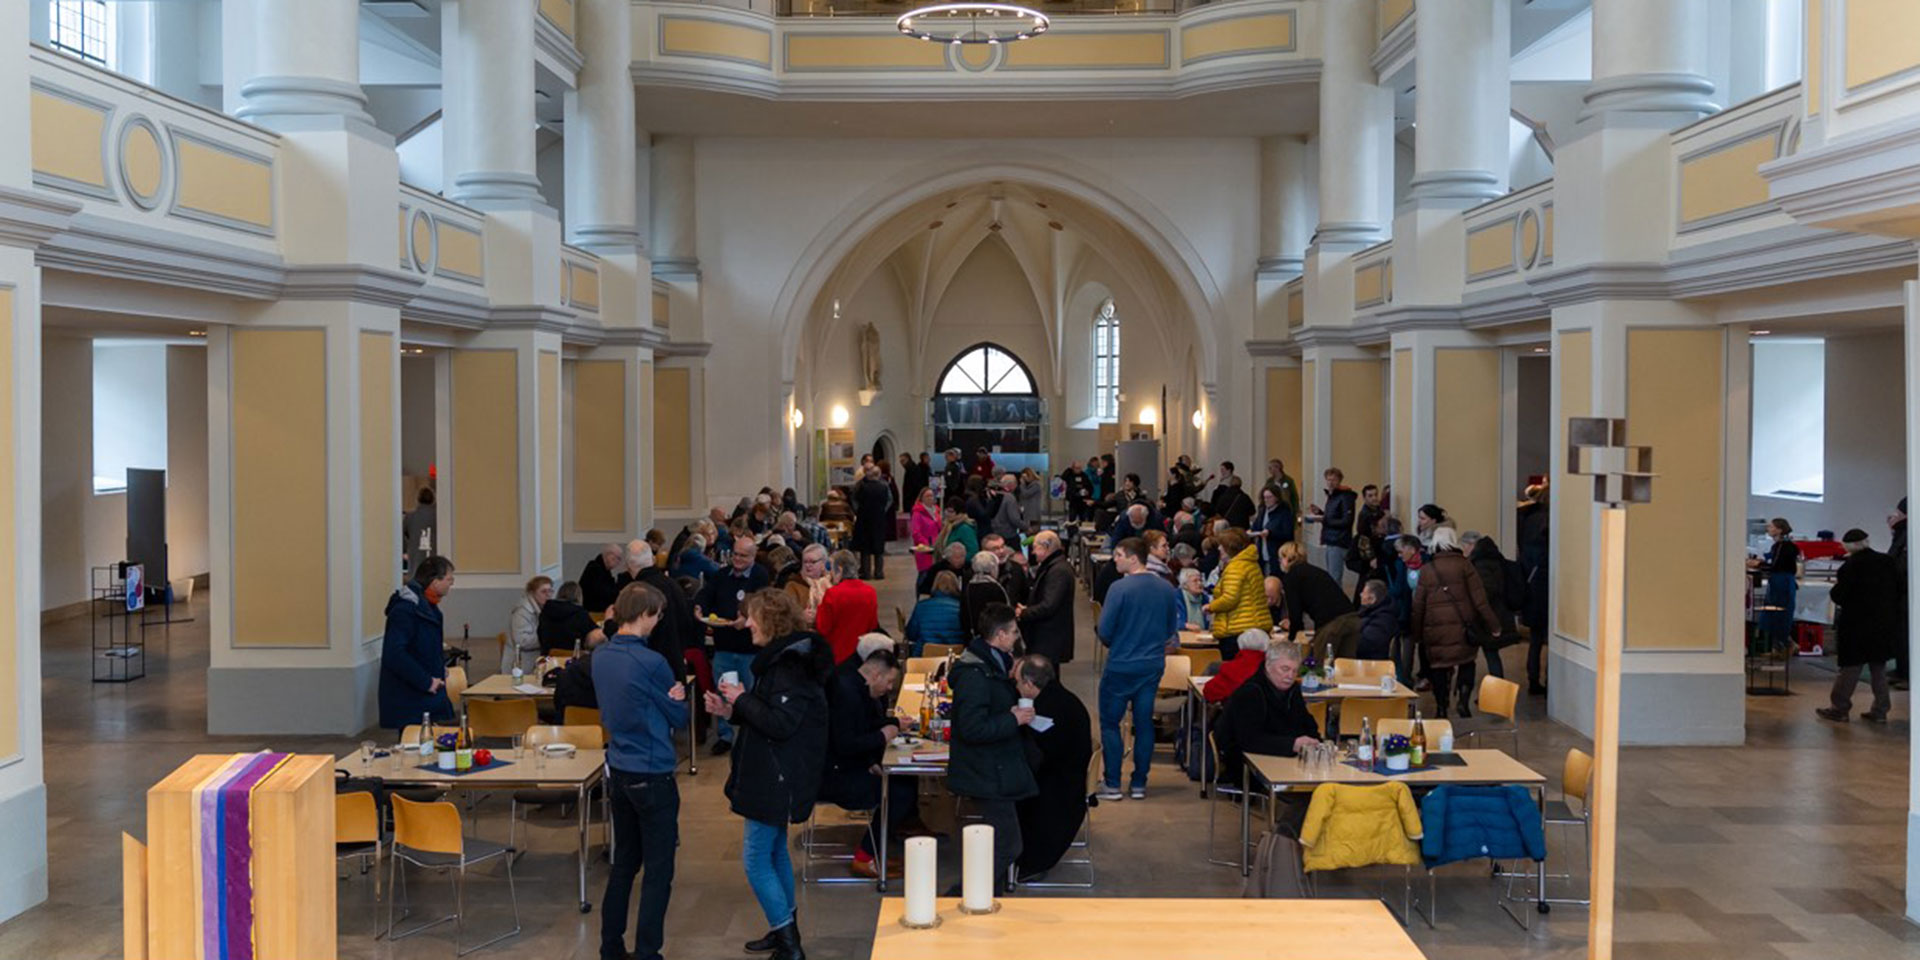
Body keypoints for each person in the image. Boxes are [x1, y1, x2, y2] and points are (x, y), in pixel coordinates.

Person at [702, 589, 831, 960]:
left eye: (753, 616)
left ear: (771, 621)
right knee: (774, 854)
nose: (747, 623)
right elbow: (770, 712)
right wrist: (731, 712)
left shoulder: (789, 667)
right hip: (775, 771)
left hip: (777, 776)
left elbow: (781, 723)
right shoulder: (783, 660)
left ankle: (789, 945)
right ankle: (782, 929)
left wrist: (741, 698)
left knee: (756, 860)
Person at [593, 582, 690, 960]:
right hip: (652, 771)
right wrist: (678, 699)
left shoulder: (601, 655)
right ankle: (647, 951)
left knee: (623, 865)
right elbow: (678, 716)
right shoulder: (652, 663)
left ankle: (610, 947)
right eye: (657, 615)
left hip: (618, 766)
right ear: (646, 614)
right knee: (658, 870)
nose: (658, 622)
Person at [947, 603, 1038, 893]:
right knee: (1009, 845)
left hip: (996, 766)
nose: (1016, 637)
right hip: (985, 770)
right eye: (1013, 632)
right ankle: (964, 894)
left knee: (1003, 842)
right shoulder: (975, 675)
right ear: (999, 635)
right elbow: (972, 728)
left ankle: (987, 897)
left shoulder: (992, 664)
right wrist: (1011, 718)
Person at [1094, 537, 1185, 800]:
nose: (1115, 559)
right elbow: (1171, 629)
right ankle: (1139, 784)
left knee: (1111, 724)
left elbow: (1106, 629)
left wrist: (1119, 643)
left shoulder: (1119, 589)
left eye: (1119, 555)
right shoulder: (1167, 589)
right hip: (1152, 665)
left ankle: (1112, 783)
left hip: (1121, 665)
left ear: (1134, 558)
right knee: (1144, 723)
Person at [820, 646, 909, 879]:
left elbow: (863, 726)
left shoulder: (853, 684)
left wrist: (893, 724)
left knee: (904, 784)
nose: (889, 688)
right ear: (876, 675)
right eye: (889, 682)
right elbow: (845, 743)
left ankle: (875, 849)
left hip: (845, 765)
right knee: (898, 793)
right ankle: (864, 857)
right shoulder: (846, 692)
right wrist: (883, 736)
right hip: (832, 776)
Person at [1012, 654, 1092, 882]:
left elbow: (1036, 757)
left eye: (1017, 682)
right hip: (1070, 783)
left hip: (1055, 796)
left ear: (1029, 684)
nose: (1016, 688)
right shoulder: (1064, 699)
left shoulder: (1048, 708)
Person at [1412, 528, 1502, 719]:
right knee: (1467, 662)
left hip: (1434, 629)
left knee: (1438, 667)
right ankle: (1463, 699)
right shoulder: (1465, 566)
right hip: (1463, 627)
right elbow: (1480, 600)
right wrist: (1494, 625)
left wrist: (1417, 633)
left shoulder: (1427, 570)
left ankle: (1441, 706)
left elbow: (1418, 604)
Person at [695, 539, 771, 755]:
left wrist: (746, 618)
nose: (737, 559)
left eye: (743, 556)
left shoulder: (760, 576)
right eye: (735, 555)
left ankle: (751, 735)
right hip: (724, 646)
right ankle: (725, 736)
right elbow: (706, 594)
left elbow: (763, 606)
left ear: (753, 557)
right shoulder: (721, 575)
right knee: (723, 692)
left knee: (751, 694)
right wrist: (700, 607)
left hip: (750, 650)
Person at [1213, 643, 1322, 789]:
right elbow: (1249, 740)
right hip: (1246, 764)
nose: (1290, 676)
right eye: (1285, 669)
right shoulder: (1250, 692)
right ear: (1268, 666)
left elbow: (1306, 722)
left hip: (1284, 759)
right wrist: (1292, 744)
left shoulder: (1293, 690)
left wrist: (1315, 742)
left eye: (1295, 671)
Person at [1819, 528, 1899, 723]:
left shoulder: (1850, 567)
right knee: (1878, 668)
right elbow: (1898, 588)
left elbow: (1839, 595)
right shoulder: (1887, 561)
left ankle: (1839, 708)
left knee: (1850, 668)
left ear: (1847, 546)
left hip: (1856, 623)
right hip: (1882, 622)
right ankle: (1880, 710)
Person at [379, 555, 457, 732]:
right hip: (412, 695)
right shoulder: (406, 610)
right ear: (434, 581)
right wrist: (426, 681)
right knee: (414, 745)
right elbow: (395, 654)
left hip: (423, 693)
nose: (451, 584)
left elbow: (422, 646)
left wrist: (438, 666)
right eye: (448, 579)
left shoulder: (428, 606)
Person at [1461, 532, 1518, 679]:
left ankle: (1495, 691)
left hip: (1487, 615)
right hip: (1493, 612)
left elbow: (1486, 592)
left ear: (1472, 545)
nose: (1463, 550)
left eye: (1464, 546)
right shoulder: (1491, 559)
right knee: (1490, 654)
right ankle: (1495, 689)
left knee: (1487, 654)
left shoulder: (1481, 563)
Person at [1207, 528, 1271, 660]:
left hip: (1238, 629)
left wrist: (1211, 606)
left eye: (1222, 546)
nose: (1219, 548)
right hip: (1255, 626)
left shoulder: (1235, 568)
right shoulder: (1251, 564)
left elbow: (1230, 598)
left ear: (1229, 548)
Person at [1017, 531, 1076, 665]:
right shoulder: (1053, 566)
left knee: (1046, 679)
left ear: (1046, 547)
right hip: (1049, 635)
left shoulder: (1058, 571)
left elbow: (1049, 605)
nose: (1032, 552)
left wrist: (1025, 612)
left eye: (1035, 547)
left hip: (1049, 638)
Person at [1515, 485, 1552, 695]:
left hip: (1530, 584)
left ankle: (1533, 679)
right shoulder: (1548, 522)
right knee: (1550, 640)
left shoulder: (1526, 519)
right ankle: (1548, 680)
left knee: (1536, 639)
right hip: (1545, 584)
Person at [815, 550, 879, 664]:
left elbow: (823, 628)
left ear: (839, 569)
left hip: (838, 655)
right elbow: (873, 625)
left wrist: (819, 605)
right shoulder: (870, 592)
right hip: (862, 655)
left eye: (831, 569)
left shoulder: (832, 594)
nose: (830, 574)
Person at [1748, 517, 1800, 655]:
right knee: (1772, 613)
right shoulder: (1778, 546)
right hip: (1777, 581)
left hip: (1782, 582)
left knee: (1780, 614)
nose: (1768, 529)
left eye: (1771, 527)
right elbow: (1771, 558)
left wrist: (1759, 564)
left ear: (1779, 530)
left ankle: (1787, 643)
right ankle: (1778, 647)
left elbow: (1776, 564)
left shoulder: (1785, 546)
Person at [1307, 468, 1358, 591]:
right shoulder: (1332, 496)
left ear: (1339, 480)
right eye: (1328, 480)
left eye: (1333, 479)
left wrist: (1323, 519)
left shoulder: (1345, 496)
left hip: (1338, 540)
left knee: (1334, 577)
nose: (1330, 482)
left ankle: (1337, 605)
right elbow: (1332, 517)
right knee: (1332, 575)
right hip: (1331, 539)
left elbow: (1346, 521)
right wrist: (1320, 512)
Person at [906, 571, 968, 655]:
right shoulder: (962, 608)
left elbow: (911, 634)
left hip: (924, 656)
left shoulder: (921, 606)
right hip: (955, 656)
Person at [1203, 629, 1271, 704]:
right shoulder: (1272, 669)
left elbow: (1209, 692)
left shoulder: (1230, 668)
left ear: (1240, 645)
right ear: (1266, 646)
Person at [851, 465, 893, 580]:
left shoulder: (860, 485)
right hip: (879, 519)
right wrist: (882, 510)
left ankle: (866, 572)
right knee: (878, 547)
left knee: (865, 548)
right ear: (878, 475)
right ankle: (879, 572)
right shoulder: (884, 486)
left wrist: (858, 511)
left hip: (863, 518)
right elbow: (889, 500)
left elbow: (854, 498)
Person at [539, 580, 604, 654]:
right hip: (575, 658)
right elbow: (595, 635)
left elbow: (540, 635)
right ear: (579, 596)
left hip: (548, 659)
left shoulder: (546, 611)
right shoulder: (580, 614)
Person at [962, 550, 1013, 641]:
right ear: (993, 567)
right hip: (994, 637)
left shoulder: (968, 587)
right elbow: (1004, 615)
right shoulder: (995, 588)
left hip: (972, 638)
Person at [506, 575, 552, 675]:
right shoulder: (521, 612)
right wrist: (547, 638)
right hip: (520, 665)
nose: (548, 595)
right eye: (544, 592)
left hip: (532, 660)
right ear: (532, 593)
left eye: (550, 591)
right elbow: (521, 641)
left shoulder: (544, 608)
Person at [1251, 486, 1295, 576]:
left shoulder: (1284, 513)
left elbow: (1288, 534)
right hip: (1263, 549)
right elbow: (1256, 527)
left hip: (1277, 551)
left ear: (1277, 497)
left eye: (1269, 497)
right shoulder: (1262, 511)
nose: (1266, 500)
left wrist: (1270, 533)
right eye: (1265, 497)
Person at [784, 543, 832, 623]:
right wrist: (800, 616)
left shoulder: (832, 583)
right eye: (805, 562)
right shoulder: (793, 585)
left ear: (823, 563)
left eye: (812, 562)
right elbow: (786, 614)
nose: (807, 565)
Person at [983, 533, 1030, 605]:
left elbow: (1025, 595)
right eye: (995, 549)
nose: (1001, 551)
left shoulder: (1016, 569)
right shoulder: (978, 572)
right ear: (985, 551)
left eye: (1002, 546)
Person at [1356, 579, 1398, 661]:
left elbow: (1367, 644)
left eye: (1364, 593)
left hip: (1371, 661)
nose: (1361, 595)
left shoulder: (1383, 619)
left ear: (1372, 599)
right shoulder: (1370, 610)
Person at [1893, 497, 1910, 690]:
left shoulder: (1905, 534)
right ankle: (1902, 671)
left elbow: (1899, 565)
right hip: (1901, 592)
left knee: (1905, 635)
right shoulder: (1901, 533)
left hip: (1905, 593)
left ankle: (1906, 673)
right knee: (1901, 635)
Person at [581, 542, 625, 612]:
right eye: (618, 558)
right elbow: (603, 593)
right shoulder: (594, 569)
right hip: (593, 611)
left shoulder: (604, 569)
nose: (619, 562)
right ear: (609, 556)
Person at [403, 486, 437, 575]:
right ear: (433, 499)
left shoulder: (410, 517)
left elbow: (401, 535)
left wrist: (405, 551)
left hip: (415, 557)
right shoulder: (438, 517)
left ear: (418, 499)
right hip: (435, 556)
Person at [910, 488, 941, 574]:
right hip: (925, 549)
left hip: (937, 547)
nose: (930, 498)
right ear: (922, 498)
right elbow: (916, 533)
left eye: (931, 495)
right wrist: (927, 544)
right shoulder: (917, 513)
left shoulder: (937, 511)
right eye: (927, 496)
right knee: (924, 573)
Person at [989, 474, 1026, 542]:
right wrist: (1026, 527)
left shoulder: (993, 494)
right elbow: (1014, 519)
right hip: (1008, 534)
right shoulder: (1009, 498)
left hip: (993, 532)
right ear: (1011, 485)